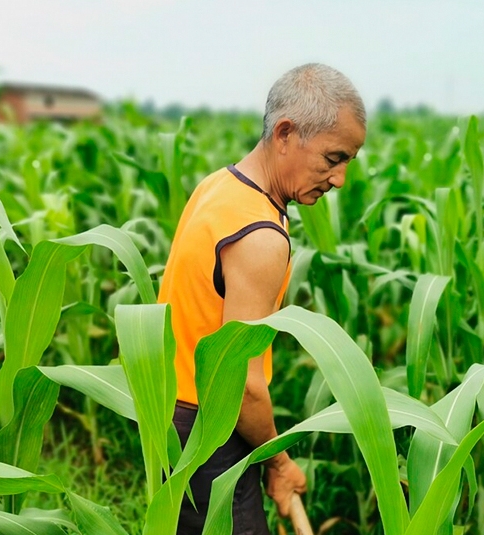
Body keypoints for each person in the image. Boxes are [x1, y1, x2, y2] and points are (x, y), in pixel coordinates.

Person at [157, 63, 367, 534]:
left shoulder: (220, 186)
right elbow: (244, 386)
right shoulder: (261, 237)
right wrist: (278, 461)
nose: (340, 180)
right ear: (286, 133)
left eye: (349, 161)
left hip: (171, 415)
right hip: (210, 429)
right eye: (333, 158)